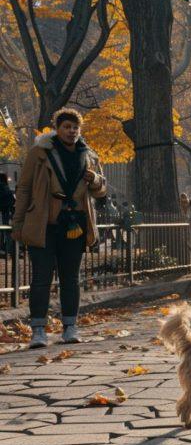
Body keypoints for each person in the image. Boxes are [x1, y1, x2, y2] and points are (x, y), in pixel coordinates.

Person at [11, 108, 107, 348]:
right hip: (44, 224)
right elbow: (24, 188)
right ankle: (38, 331)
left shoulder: (89, 155)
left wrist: (94, 179)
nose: (71, 131)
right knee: (41, 278)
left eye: (75, 127)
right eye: (66, 127)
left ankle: (70, 327)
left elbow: (101, 189)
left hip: (75, 224)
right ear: (57, 128)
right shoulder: (39, 153)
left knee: (70, 278)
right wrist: (18, 223)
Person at [0, 173, 15, 253]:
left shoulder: (2, 188)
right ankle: (9, 249)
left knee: (4, 231)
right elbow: (12, 201)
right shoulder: (6, 188)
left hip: (3, 212)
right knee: (8, 231)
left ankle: (3, 248)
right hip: (7, 212)